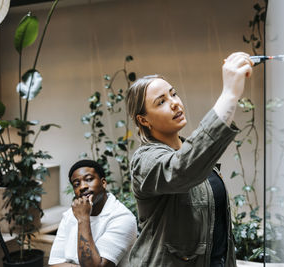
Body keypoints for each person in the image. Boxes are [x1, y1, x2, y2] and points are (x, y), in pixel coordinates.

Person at [125, 52, 254, 267]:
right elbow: (181, 168)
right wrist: (230, 94)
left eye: (173, 94)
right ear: (143, 120)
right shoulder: (144, 161)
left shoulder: (194, 153)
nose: (174, 103)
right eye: (161, 102)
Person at [48, 160, 138, 267]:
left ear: (103, 183)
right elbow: (54, 262)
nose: (82, 187)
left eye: (89, 179)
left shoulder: (123, 218)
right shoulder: (69, 215)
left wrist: (83, 219)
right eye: (76, 184)